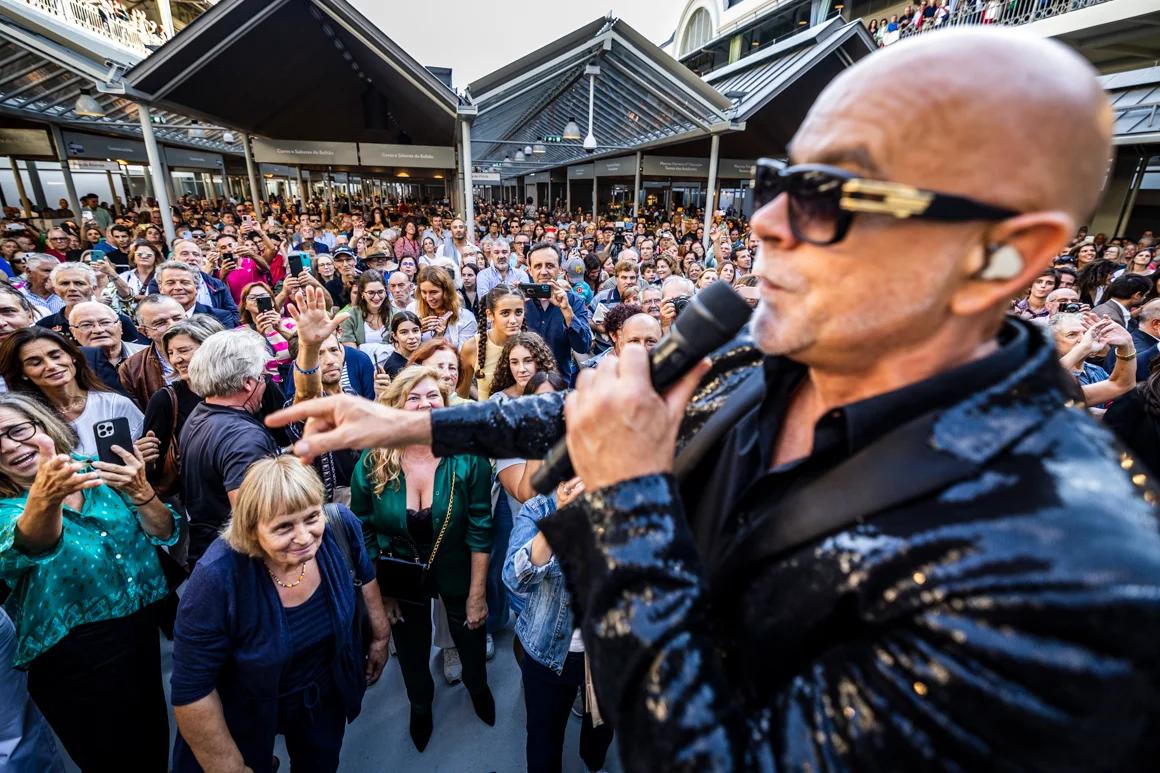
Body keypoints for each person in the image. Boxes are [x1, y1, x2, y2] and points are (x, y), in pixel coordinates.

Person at [269, 30, 1160, 769]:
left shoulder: (1074, 569)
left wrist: (628, 506)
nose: (764, 221)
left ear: (997, 257)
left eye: (828, 196)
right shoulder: (769, 345)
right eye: (776, 180)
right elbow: (605, 403)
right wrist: (414, 419)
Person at [171, 456, 390, 773]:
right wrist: (230, 767)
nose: (304, 537)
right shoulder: (216, 578)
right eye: (284, 526)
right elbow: (192, 690)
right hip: (245, 708)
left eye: (311, 517)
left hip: (321, 695)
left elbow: (365, 575)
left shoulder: (339, 526)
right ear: (251, 528)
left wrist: (380, 636)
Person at [0, 392, 177, 770]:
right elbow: (31, 544)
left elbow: (164, 532)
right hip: (74, 660)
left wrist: (142, 493)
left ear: (44, 426)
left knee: (154, 747)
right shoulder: (5, 509)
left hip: (140, 633)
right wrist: (45, 500)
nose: (8, 447)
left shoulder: (99, 470)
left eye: (17, 430)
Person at [350, 366, 494, 752]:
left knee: (470, 639)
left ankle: (478, 688)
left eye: (432, 396)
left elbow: (481, 526)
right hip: (398, 575)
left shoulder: (467, 455)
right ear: (396, 404)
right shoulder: (372, 458)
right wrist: (382, 594)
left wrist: (477, 593)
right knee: (411, 652)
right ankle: (420, 704)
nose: (424, 404)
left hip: (457, 569)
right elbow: (362, 530)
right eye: (413, 397)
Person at [504, 474, 615, 773]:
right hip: (547, 654)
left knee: (601, 730)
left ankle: (594, 765)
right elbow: (514, 579)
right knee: (543, 743)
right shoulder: (538, 510)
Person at [179, 329, 281, 565]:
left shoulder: (200, 413)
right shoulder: (245, 440)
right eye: (263, 377)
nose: (265, 384)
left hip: (208, 551)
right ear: (248, 383)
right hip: (239, 564)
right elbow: (256, 523)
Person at [0, 328, 145, 456]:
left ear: (72, 356)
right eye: (35, 363)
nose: (51, 366)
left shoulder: (113, 404)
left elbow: (144, 454)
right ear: (22, 373)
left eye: (56, 356)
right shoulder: (24, 420)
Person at [141, 316, 225, 499]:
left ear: (212, 349)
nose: (176, 359)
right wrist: (145, 457)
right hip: (199, 501)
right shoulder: (165, 399)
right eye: (170, 353)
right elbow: (153, 467)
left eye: (183, 350)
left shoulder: (251, 386)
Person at [522, 243, 592, 385]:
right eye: (537, 266)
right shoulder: (519, 301)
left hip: (559, 386)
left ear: (560, 269)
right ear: (529, 270)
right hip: (522, 386)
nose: (543, 271)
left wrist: (567, 311)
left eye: (549, 265)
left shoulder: (573, 301)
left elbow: (583, 346)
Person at [35, 262, 141, 345]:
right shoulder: (44, 326)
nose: (72, 288)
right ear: (55, 290)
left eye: (79, 283)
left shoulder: (118, 321)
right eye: (64, 283)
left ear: (93, 288)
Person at [119, 294, 188, 410]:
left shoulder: (212, 352)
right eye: (160, 323)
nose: (173, 325)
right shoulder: (131, 369)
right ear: (144, 332)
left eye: (177, 318)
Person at [460, 285, 526, 400]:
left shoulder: (532, 346)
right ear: (490, 314)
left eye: (518, 312)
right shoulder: (472, 347)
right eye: (505, 313)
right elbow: (461, 395)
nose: (513, 320)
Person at [72, 301, 147, 395]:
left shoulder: (147, 354)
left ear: (120, 327)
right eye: (86, 325)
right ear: (73, 332)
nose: (98, 330)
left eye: (105, 322)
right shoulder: (69, 366)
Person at [157, 260, 240, 329]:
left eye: (185, 282)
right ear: (160, 288)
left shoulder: (220, 318)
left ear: (196, 287)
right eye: (170, 283)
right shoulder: (153, 318)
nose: (178, 287)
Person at [415, 266, 477, 348]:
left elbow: (464, 356)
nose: (429, 298)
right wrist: (416, 333)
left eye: (434, 292)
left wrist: (439, 338)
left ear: (446, 292)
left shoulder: (465, 318)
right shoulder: (414, 311)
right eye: (424, 292)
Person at [338, 270, 390, 357]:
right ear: (362, 293)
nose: (376, 297)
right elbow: (351, 352)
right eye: (371, 293)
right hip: (362, 365)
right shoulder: (349, 316)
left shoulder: (395, 314)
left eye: (380, 292)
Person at [380, 310, 423, 377]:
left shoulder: (426, 356)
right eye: (404, 332)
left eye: (415, 331)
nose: (411, 337)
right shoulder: (394, 367)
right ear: (394, 336)